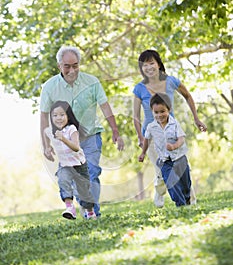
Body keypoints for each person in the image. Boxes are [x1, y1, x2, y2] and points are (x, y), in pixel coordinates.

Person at [40, 46, 124, 217]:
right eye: (67, 66)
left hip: (90, 136)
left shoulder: (92, 82)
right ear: (59, 66)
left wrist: (115, 130)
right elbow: (43, 117)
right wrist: (46, 144)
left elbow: (105, 106)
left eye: (75, 66)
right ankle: (83, 208)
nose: (72, 70)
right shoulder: (49, 87)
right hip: (65, 141)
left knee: (91, 173)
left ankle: (93, 214)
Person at [133, 49, 207, 207]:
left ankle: (191, 201)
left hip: (172, 132)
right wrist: (140, 137)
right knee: (162, 169)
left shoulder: (171, 81)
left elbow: (187, 95)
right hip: (152, 135)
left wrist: (196, 118)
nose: (148, 67)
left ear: (158, 64)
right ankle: (160, 192)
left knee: (181, 167)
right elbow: (136, 116)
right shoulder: (139, 88)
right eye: (144, 65)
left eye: (151, 63)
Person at [43, 100, 96, 220]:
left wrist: (63, 139)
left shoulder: (71, 129)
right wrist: (47, 147)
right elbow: (45, 132)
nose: (59, 118)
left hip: (79, 165)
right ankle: (70, 208)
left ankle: (90, 212)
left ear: (68, 116)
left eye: (62, 115)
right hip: (65, 165)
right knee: (63, 180)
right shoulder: (52, 131)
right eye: (55, 115)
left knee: (84, 192)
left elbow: (76, 147)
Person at [139, 93, 192, 207]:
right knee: (171, 183)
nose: (159, 115)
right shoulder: (151, 127)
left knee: (185, 183)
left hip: (179, 158)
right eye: (156, 112)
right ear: (152, 112)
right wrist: (143, 153)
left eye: (162, 111)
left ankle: (187, 198)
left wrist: (174, 146)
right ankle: (180, 205)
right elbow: (146, 140)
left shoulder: (174, 124)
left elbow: (181, 138)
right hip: (165, 161)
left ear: (169, 109)